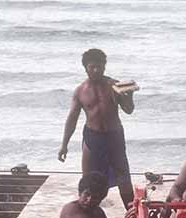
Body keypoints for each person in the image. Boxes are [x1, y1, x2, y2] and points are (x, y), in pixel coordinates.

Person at [57, 48, 136, 208]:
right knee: (88, 179)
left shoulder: (114, 85)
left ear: (104, 66)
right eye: (92, 67)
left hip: (114, 135)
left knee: (123, 176)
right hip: (93, 136)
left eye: (99, 66)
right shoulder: (80, 91)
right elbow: (72, 118)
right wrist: (64, 145)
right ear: (85, 67)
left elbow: (129, 110)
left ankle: (132, 214)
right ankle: (88, 213)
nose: (96, 70)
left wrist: (129, 95)